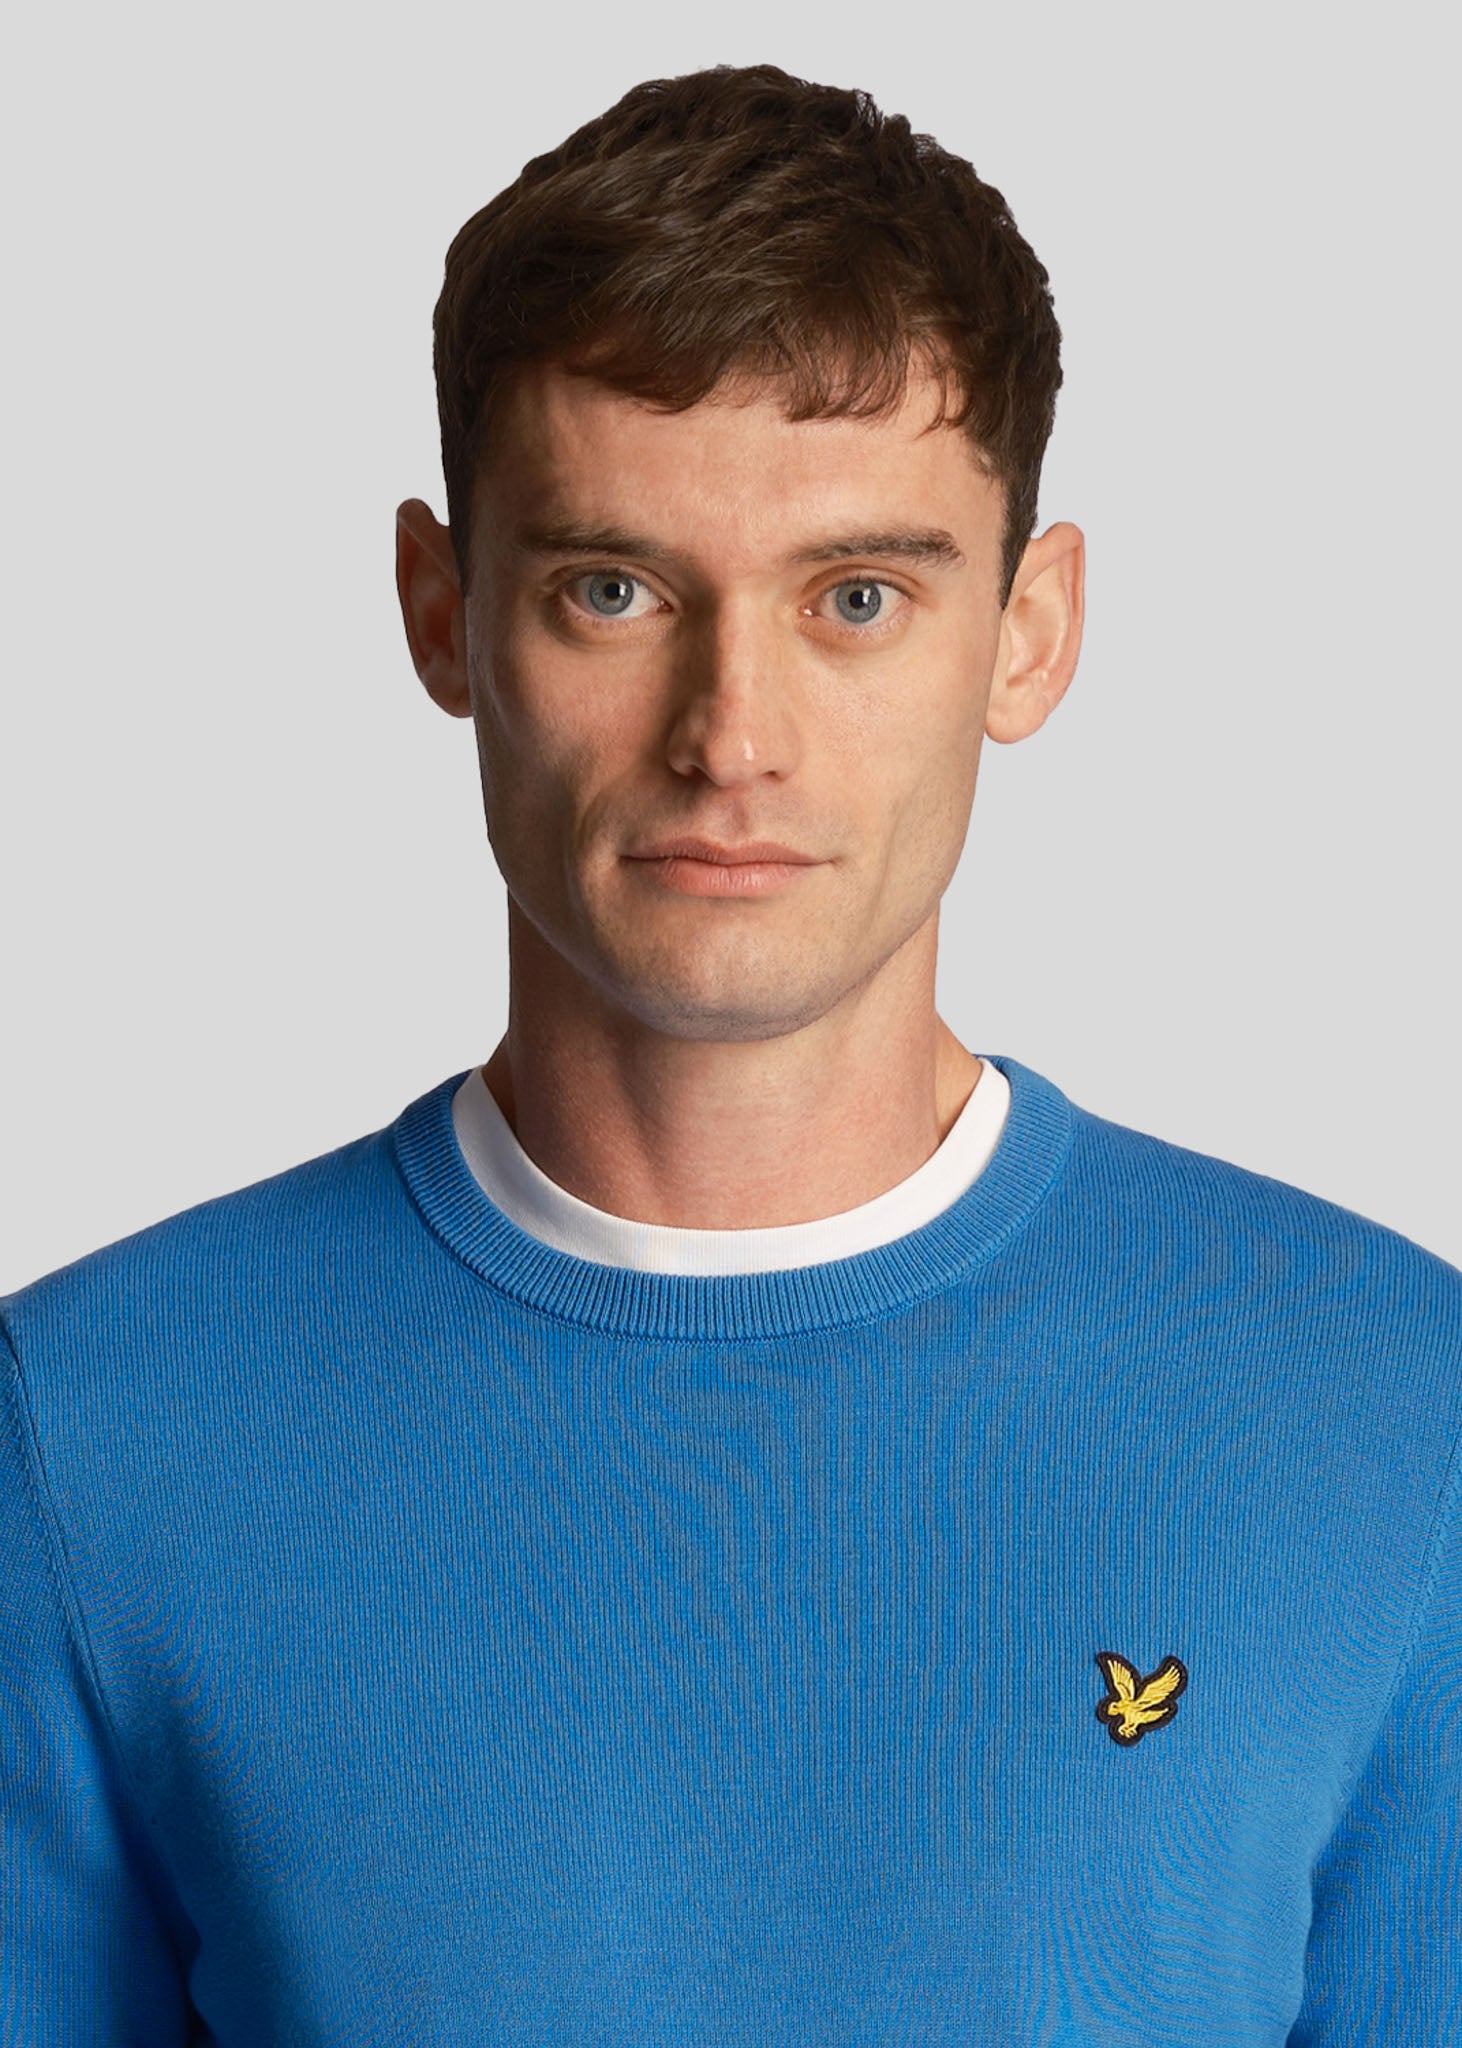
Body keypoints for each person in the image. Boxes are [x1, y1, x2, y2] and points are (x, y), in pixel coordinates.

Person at [1, 62, 1457, 2046]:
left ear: (1028, 632)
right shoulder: (89, 1437)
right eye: (610, 590)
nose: (731, 736)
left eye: (855, 598)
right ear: (441, 612)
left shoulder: (1389, 1414)